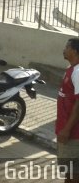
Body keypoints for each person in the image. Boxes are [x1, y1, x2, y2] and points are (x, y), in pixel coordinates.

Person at [57, 38, 79, 182]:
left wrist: (66, 129)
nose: (64, 49)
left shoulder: (78, 72)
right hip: (65, 129)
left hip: (73, 134)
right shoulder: (70, 69)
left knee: (73, 173)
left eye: (67, 47)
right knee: (68, 172)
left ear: (75, 51)